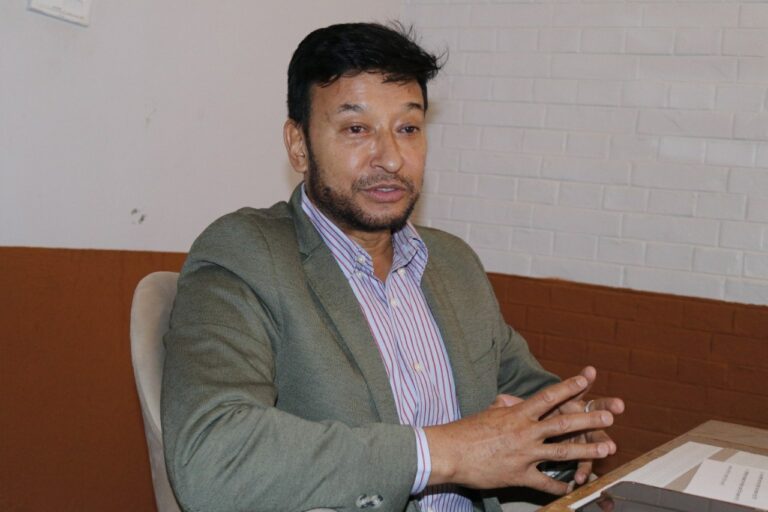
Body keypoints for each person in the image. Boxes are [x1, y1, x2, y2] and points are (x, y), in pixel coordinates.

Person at [161, 22, 624, 512]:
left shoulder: (454, 263)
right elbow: (212, 458)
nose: (391, 159)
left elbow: (521, 405)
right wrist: (442, 453)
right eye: (356, 129)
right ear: (298, 145)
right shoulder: (247, 255)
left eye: (408, 129)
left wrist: (567, 433)